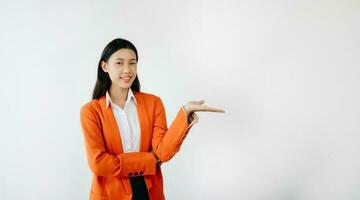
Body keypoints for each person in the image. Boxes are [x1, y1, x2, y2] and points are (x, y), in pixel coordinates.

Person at [80, 38, 225, 200]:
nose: (127, 69)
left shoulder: (153, 103)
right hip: (109, 194)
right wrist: (150, 160)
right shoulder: (91, 111)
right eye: (119, 63)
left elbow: (162, 152)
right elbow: (98, 164)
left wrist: (185, 113)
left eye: (132, 63)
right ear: (105, 66)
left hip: (148, 190)